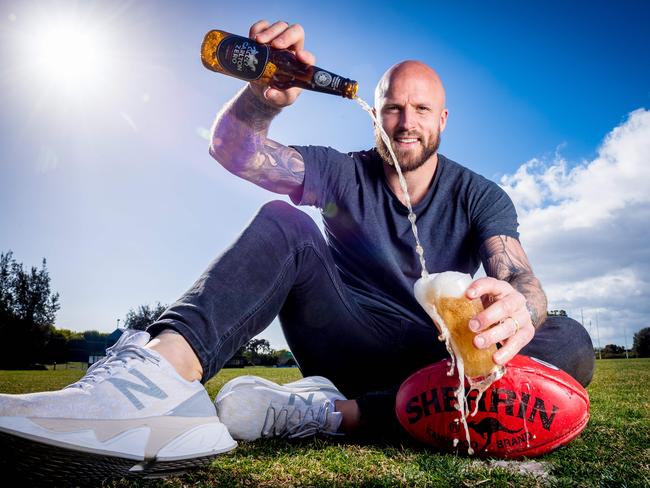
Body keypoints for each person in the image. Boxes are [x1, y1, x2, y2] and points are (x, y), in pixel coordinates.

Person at [0, 20, 594, 478]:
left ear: (442, 118)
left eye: (419, 109)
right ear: (374, 111)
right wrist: (261, 98)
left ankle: (334, 414)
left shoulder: (477, 193)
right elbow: (236, 151)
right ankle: (157, 383)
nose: (403, 121)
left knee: (570, 342)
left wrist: (519, 310)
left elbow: (519, 275)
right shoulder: (342, 171)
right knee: (285, 221)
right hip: (346, 337)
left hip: (436, 363)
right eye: (391, 106)